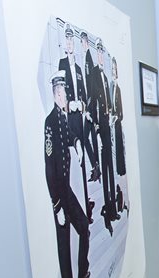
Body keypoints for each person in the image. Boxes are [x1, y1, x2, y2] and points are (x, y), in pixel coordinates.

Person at [44, 70, 91, 278]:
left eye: (65, 93)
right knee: (64, 254)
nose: (63, 97)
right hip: (59, 197)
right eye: (60, 93)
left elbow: (70, 135)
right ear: (54, 94)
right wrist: (57, 204)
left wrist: (77, 144)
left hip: (67, 191)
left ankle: (84, 270)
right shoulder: (50, 122)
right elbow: (49, 167)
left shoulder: (63, 118)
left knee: (84, 226)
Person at [58, 24, 94, 224]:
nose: (70, 43)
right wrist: (68, 104)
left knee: (82, 164)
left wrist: (81, 104)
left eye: (72, 40)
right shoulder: (61, 64)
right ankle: (74, 206)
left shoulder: (79, 69)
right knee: (72, 161)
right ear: (65, 43)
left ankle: (86, 207)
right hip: (68, 121)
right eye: (68, 40)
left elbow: (84, 95)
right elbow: (60, 94)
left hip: (78, 118)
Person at [91, 38, 119, 235]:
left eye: (103, 52)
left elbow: (109, 106)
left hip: (108, 130)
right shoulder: (93, 75)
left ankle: (112, 208)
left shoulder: (107, 79)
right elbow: (93, 105)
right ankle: (108, 211)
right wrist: (98, 132)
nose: (101, 56)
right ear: (96, 54)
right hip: (101, 132)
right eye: (98, 52)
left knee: (111, 171)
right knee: (105, 174)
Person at [79, 29, 101, 183]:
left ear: (87, 43)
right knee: (88, 138)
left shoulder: (88, 60)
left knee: (89, 138)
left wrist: (89, 110)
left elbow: (91, 88)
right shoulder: (84, 59)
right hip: (89, 109)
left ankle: (96, 168)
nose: (82, 44)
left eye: (84, 41)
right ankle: (96, 168)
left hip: (91, 110)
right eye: (81, 42)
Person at [110, 57, 126, 176]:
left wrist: (117, 117)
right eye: (112, 69)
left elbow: (121, 111)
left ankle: (121, 169)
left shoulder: (118, 89)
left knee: (119, 147)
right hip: (111, 121)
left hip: (117, 122)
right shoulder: (110, 87)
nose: (113, 72)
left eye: (115, 69)